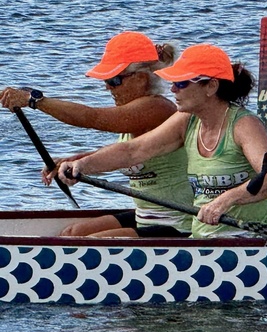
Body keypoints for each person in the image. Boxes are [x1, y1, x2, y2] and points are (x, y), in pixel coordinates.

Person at [58, 44, 267, 238]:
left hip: (251, 241)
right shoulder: (186, 121)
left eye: (182, 83)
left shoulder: (245, 125)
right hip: (203, 239)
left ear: (211, 87)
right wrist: (84, 165)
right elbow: (133, 151)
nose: (173, 89)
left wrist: (226, 200)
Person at [0, 31, 194, 237]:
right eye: (106, 81)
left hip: (179, 223)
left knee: (87, 243)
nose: (108, 88)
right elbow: (123, 152)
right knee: (72, 233)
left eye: (114, 80)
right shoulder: (137, 114)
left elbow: (93, 118)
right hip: (145, 215)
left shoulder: (157, 109)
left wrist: (35, 100)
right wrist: (74, 160)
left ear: (141, 78)